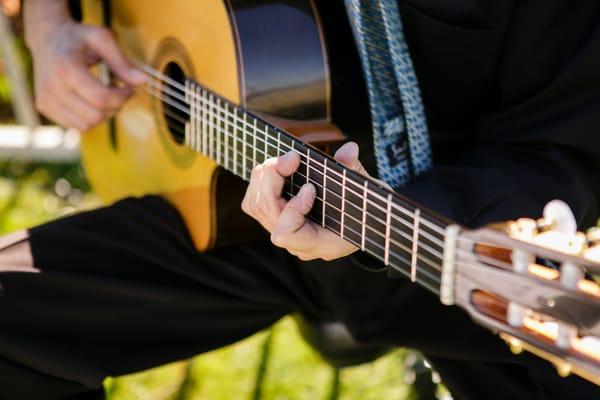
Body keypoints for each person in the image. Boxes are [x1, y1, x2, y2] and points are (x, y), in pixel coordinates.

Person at [1, 0, 599, 399]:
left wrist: (359, 224)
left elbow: (559, 154)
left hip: (446, 247)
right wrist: (48, 27)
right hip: (228, 199)